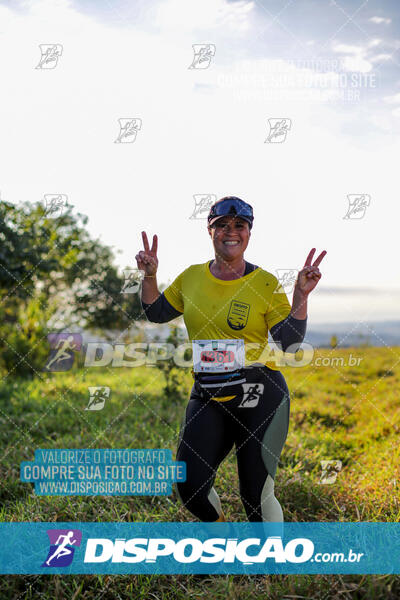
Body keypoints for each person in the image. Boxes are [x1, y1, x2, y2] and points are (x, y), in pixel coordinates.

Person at [136, 196, 326, 522]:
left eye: (239, 226)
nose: (231, 232)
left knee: (255, 492)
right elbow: (156, 311)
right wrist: (150, 275)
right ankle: (220, 544)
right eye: (222, 225)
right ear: (209, 231)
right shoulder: (191, 277)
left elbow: (289, 341)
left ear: (249, 233)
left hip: (261, 392)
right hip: (208, 392)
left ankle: (270, 566)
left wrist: (300, 295)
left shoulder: (265, 282)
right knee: (190, 483)